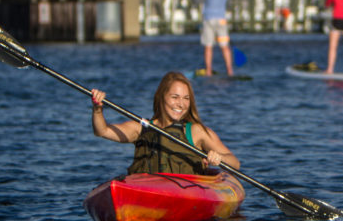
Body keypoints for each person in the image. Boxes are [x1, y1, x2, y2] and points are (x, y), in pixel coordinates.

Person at [90, 71, 239, 175]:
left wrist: (220, 158)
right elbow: (102, 131)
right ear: (161, 97)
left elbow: (235, 163)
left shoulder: (195, 131)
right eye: (175, 97)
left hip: (185, 195)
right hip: (148, 191)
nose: (181, 104)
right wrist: (98, 109)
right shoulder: (141, 128)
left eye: (186, 98)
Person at [199, 0, 233, 77]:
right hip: (221, 20)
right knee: (225, 46)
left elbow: (197, 2)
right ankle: (229, 70)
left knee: (208, 46)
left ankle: (208, 70)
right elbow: (229, 5)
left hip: (209, 19)